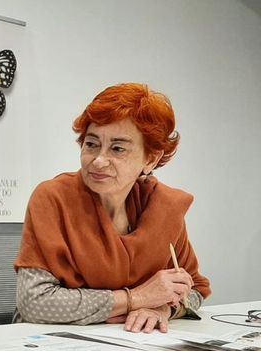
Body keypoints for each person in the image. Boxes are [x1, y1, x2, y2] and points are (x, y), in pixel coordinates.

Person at [14, 83, 210, 334]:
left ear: (151, 159)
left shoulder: (165, 208)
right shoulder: (53, 198)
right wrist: (136, 298)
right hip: (49, 345)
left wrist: (163, 309)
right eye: (92, 144)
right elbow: (34, 302)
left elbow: (194, 290)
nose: (98, 160)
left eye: (117, 148)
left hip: (134, 345)